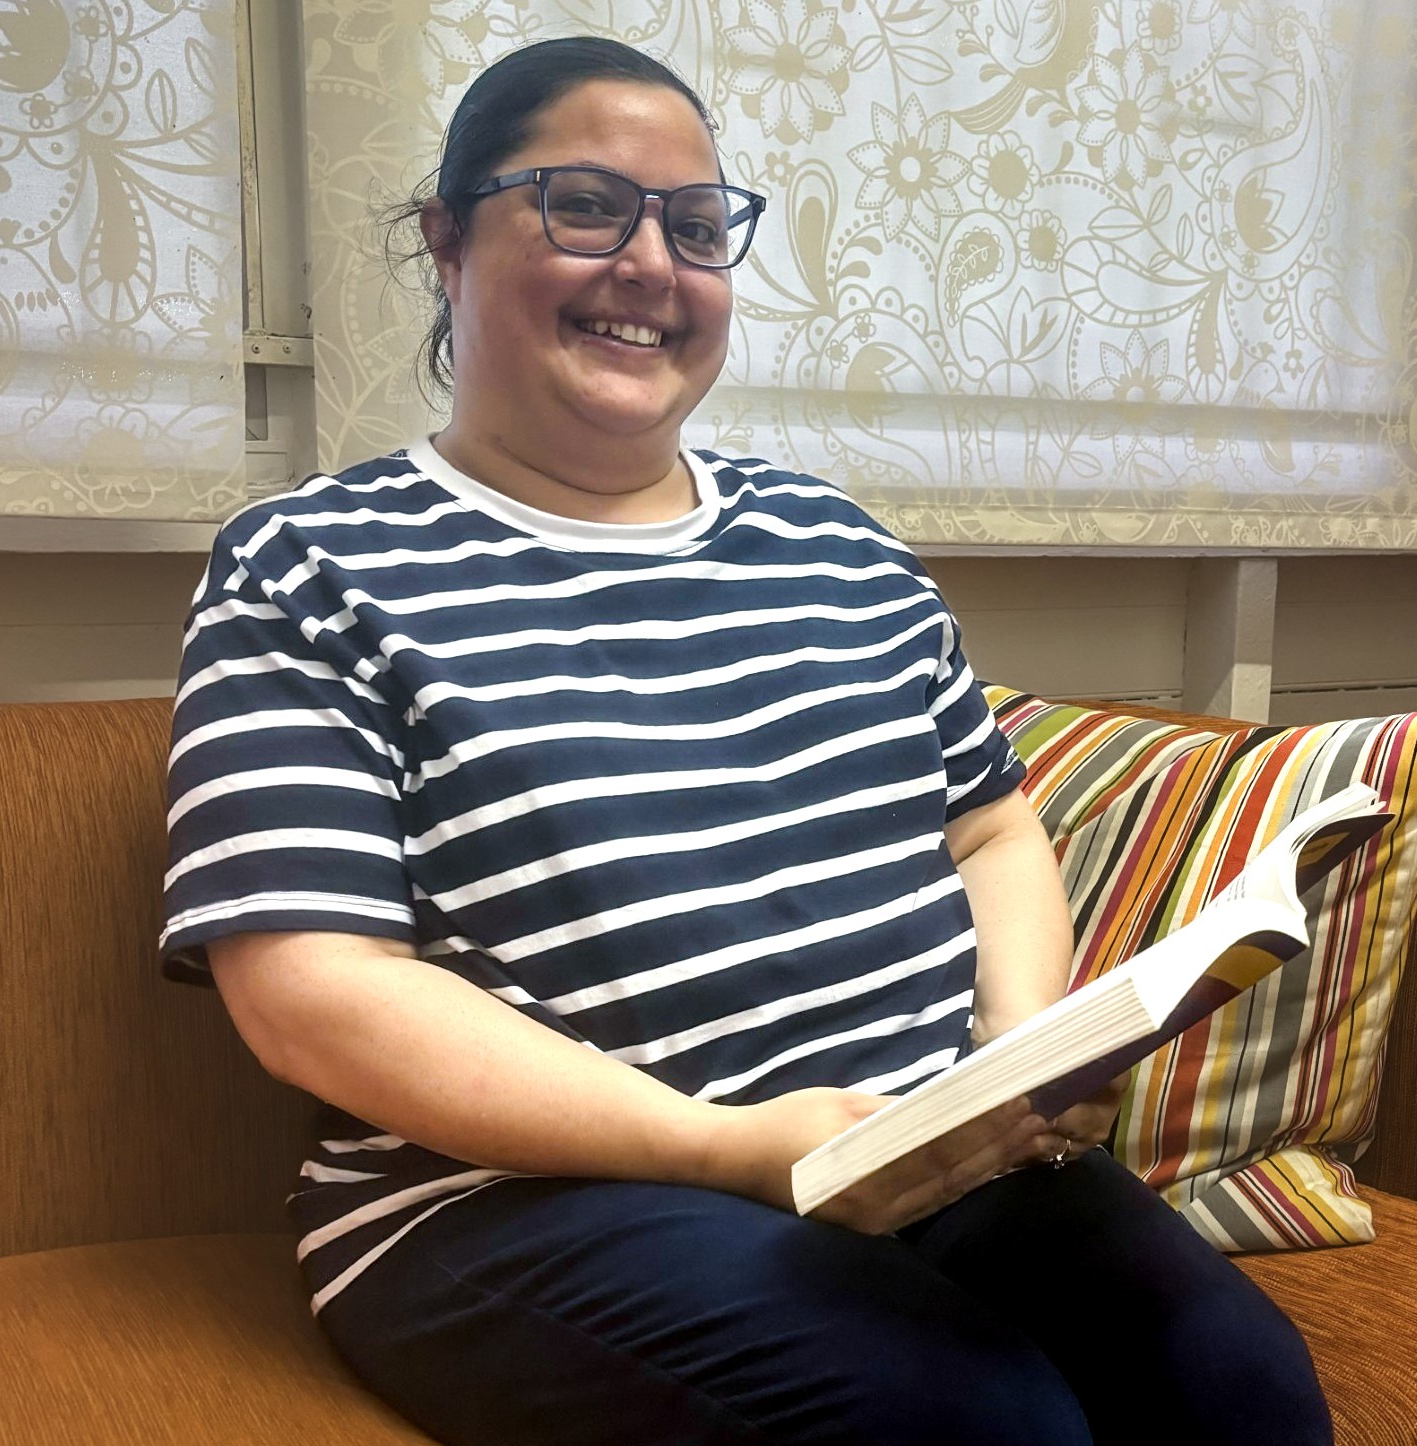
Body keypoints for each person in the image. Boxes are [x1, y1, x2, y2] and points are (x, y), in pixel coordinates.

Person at [160, 35, 1333, 1446]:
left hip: (921, 1152)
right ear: (447, 239)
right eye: (586, 204)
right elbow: (311, 988)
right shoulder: (310, 568)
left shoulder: (835, 543)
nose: (651, 263)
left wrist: (1021, 1056)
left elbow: (991, 823)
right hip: (512, 1204)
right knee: (975, 1423)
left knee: (1243, 1390)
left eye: (699, 227)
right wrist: (728, 1149)